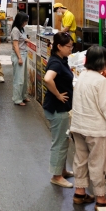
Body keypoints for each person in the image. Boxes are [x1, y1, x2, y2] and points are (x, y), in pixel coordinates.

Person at [70, 45, 106, 208]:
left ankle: (79, 193)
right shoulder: (101, 81)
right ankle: (101, 200)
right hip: (95, 129)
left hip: (78, 126)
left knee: (80, 159)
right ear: (102, 61)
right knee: (98, 163)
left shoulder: (82, 75)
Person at [43, 32, 76, 187]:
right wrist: (58, 95)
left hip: (58, 107)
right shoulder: (56, 63)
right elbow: (48, 79)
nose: (71, 49)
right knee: (60, 142)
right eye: (68, 46)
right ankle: (56, 176)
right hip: (57, 108)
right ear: (59, 46)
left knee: (64, 140)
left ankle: (61, 170)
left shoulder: (61, 60)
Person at [10, 12, 30, 105]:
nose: (26, 23)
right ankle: (17, 99)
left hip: (24, 53)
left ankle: (23, 96)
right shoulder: (15, 30)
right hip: (19, 54)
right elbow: (15, 45)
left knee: (24, 78)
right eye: (25, 21)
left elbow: (20, 40)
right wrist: (19, 57)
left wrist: (25, 40)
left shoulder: (21, 29)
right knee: (19, 78)